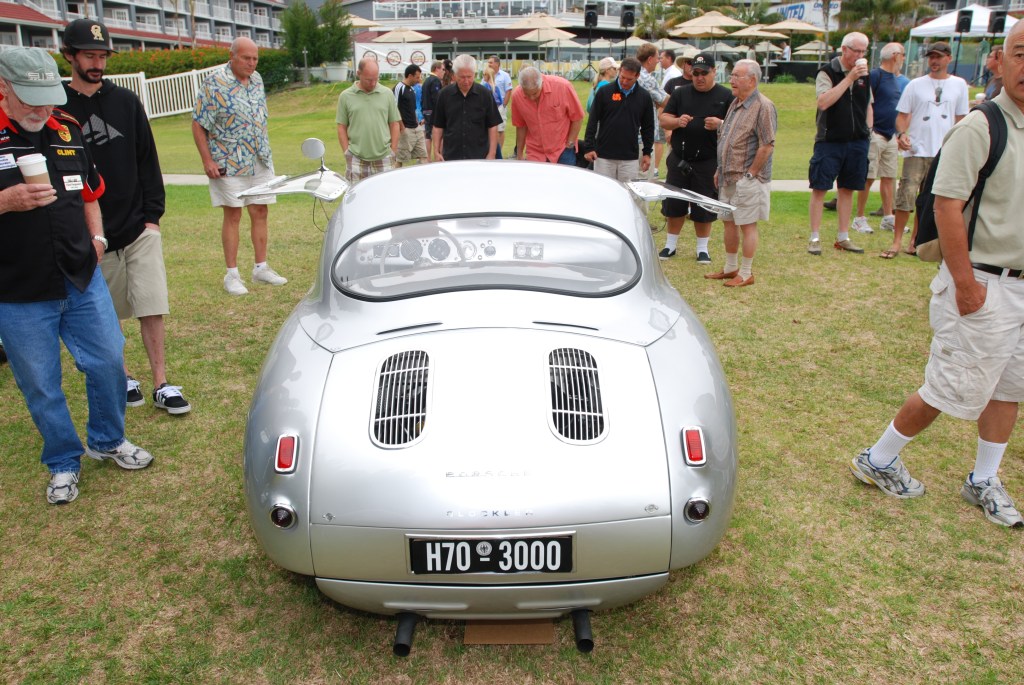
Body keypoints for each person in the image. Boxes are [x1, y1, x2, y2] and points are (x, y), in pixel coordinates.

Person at [850, 22, 1024, 529]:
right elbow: (948, 205)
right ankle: (877, 459)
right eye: (1019, 53)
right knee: (948, 387)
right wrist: (967, 283)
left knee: (1008, 389)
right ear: (1000, 61)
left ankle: (983, 479)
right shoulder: (981, 125)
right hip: (983, 284)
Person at [0, 48, 154, 505]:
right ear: (3, 89)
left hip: (81, 277)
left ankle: (107, 440)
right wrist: (8, 202)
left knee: (109, 361)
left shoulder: (67, 128)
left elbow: (90, 193)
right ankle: (64, 461)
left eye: (48, 98)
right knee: (42, 384)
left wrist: (99, 239)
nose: (42, 109)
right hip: (18, 289)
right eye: (31, 100)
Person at [60, 19, 191, 415]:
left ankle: (161, 383)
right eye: (89, 55)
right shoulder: (56, 106)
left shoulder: (127, 102)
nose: (97, 63)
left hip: (138, 226)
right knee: (109, 312)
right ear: (70, 56)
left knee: (152, 304)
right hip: (92, 234)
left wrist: (153, 216)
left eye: (102, 56)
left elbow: (147, 160)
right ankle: (125, 376)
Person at [192, 37, 286, 296]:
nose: (252, 63)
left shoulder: (257, 80)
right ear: (232, 55)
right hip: (228, 160)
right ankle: (232, 275)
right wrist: (207, 160)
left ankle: (261, 268)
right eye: (247, 58)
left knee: (261, 211)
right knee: (233, 214)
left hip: (259, 158)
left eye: (255, 58)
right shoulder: (215, 82)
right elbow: (199, 124)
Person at [886, 42, 969, 258]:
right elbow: (902, 116)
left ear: (948, 59)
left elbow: (962, 119)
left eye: (939, 57)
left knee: (928, 199)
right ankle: (896, 242)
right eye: (931, 57)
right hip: (917, 148)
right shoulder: (915, 84)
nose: (934, 61)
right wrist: (902, 134)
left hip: (944, 151)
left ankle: (915, 240)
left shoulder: (959, 85)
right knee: (906, 194)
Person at [657, 52, 733, 263]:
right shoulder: (681, 93)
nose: (699, 77)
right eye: (695, 73)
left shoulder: (725, 96)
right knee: (674, 204)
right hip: (680, 157)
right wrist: (677, 122)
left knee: (704, 206)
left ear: (714, 72)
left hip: (708, 161)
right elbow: (663, 119)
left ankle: (702, 249)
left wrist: (720, 124)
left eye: (704, 73)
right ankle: (670, 245)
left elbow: (737, 126)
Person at [705, 60, 776, 288]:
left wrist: (750, 174)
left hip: (748, 180)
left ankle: (746, 273)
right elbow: (726, 136)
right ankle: (730, 267)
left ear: (752, 80)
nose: (731, 80)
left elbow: (767, 145)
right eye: (732, 75)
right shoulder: (735, 103)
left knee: (747, 225)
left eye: (737, 76)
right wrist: (720, 168)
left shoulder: (764, 106)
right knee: (728, 222)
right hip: (728, 175)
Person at [807, 32, 873, 255]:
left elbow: (868, 106)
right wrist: (849, 78)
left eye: (864, 51)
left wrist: (868, 132)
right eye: (856, 50)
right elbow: (824, 102)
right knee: (820, 188)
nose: (860, 55)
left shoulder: (866, 75)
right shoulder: (828, 72)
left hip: (857, 142)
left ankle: (843, 236)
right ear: (844, 50)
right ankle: (814, 237)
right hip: (830, 141)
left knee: (848, 189)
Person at [852, 42, 907, 240]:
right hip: (875, 134)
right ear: (894, 55)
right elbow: (866, 102)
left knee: (889, 176)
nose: (903, 58)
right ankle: (859, 216)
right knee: (869, 176)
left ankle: (888, 216)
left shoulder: (895, 78)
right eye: (902, 54)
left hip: (891, 134)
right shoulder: (875, 75)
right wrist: (870, 129)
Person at [583, 56, 654, 182]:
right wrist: (589, 147)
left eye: (629, 79)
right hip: (603, 156)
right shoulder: (604, 92)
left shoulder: (644, 96)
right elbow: (592, 120)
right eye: (622, 77)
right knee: (603, 192)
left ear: (637, 76)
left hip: (629, 158)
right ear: (619, 71)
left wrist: (647, 152)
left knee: (628, 194)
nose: (625, 82)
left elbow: (648, 127)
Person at [335, 59, 400, 182]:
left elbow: (394, 123)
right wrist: (346, 152)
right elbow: (341, 126)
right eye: (369, 80)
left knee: (386, 197)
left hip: (384, 157)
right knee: (356, 199)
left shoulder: (387, 94)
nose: (373, 83)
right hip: (356, 159)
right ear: (359, 73)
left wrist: (393, 150)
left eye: (376, 78)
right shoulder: (346, 96)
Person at [431, 54, 501, 161]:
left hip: (479, 156)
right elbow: (438, 126)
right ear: (454, 75)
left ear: (474, 74)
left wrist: (492, 153)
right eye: (462, 77)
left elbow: (492, 126)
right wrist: (436, 151)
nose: (466, 81)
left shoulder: (485, 94)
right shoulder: (444, 95)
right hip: (452, 156)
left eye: (469, 77)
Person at [511, 67, 584, 165]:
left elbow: (577, 117)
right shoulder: (517, 95)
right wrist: (519, 154)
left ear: (542, 83)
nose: (531, 98)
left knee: (565, 180)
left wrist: (569, 144)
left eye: (535, 93)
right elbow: (520, 126)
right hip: (535, 153)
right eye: (527, 94)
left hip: (562, 151)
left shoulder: (563, 87)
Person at [636, 43, 669, 179]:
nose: (658, 61)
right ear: (649, 59)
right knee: (642, 180)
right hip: (643, 139)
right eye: (657, 58)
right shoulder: (647, 79)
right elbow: (665, 101)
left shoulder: (633, 74)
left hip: (630, 137)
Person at [394, 64, 426, 167]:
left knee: (423, 156)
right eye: (417, 77)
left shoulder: (413, 90)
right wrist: (402, 127)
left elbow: (413, 109)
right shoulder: (399, 88)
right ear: (410, 76)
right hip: (405, 130)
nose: (419, 80)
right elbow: (394, 109)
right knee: (400, 159)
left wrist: (418, 122)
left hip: (417, 128)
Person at [486, 56, 513, 157]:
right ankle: (493, 150)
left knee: (500, 129)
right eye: (488, 62)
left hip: (500, 106)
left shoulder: (505, 76)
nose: (489, 64)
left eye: (491, 62)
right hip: (489, 107)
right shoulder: (487, 75)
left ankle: (499, 152)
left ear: (497, 64)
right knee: (490, 129)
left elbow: (509, 90)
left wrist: (504, 105)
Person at [421, 60, 444, 162]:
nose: (443, 72)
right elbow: (437, 98)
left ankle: (428, 158)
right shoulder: (435, 80)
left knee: (427, 134)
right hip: (433, 111)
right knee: (436, 134)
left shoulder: (426, 80)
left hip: (426, 110)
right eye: (442, 69)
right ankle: (436, 155)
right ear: (436, 69)